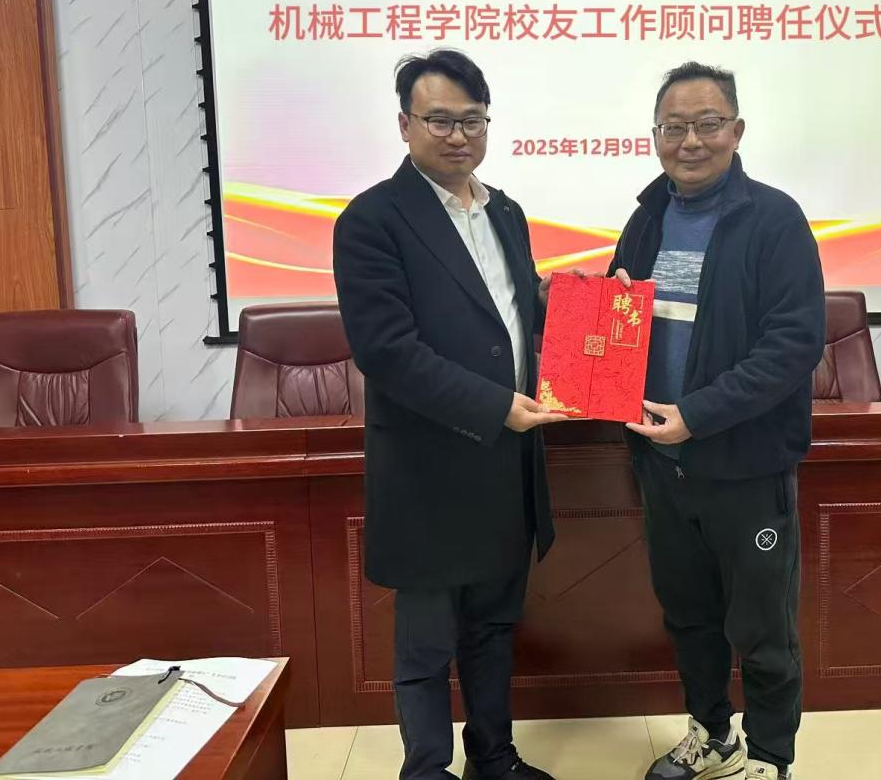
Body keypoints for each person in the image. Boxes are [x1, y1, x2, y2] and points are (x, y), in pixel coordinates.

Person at [332, 48, 562, 780]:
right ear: (405, 125)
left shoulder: (507, 213)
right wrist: (495, 406)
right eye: (440, 120)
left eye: (472, 120)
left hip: (507, 465)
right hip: (429, 468)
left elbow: (515, 316)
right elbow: (387, 351)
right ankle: (427, 769)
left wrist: (596, 308)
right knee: (426, 647)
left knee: (493, 629)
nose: (458, 135)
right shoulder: (373, 220)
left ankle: (495, 759)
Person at [611, 62, 826, 780]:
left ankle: (769, 758)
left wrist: (697, 415)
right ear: (655, 136)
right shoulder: (646, 220)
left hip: (745, 468)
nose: (691, 142)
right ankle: (712, 735)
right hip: (662, 464)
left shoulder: (775, 220)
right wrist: (596, 304)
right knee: (689, 618)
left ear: (737, 130)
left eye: (707, 125)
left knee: (763, 630)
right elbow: (619, 322)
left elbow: (793, 344)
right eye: (674, 127)